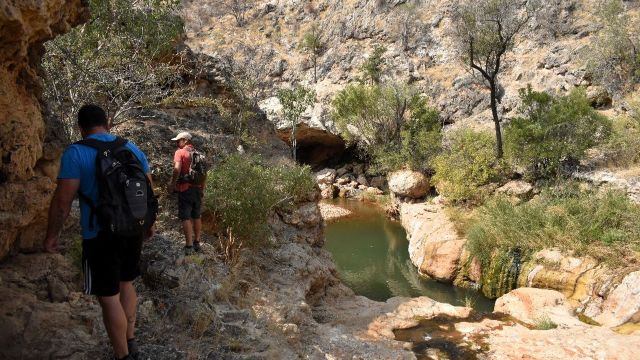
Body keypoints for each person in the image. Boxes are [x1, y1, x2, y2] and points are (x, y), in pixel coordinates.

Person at [43, 104, 152, 360]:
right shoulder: (132, 148)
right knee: (126, 282)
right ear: (108, 124)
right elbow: (147, 191)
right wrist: (148, 224)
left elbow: (62, 201)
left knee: (108, 296)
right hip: (133, 230)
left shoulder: (76, 153)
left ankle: (123, 356)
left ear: (81, 128)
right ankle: (131, 340)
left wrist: (52, 235)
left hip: (99, 233)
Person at [168, 131, 204, 255]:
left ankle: (188, 246)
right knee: (197, 216)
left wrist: (172, 184)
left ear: (185, 140)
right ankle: (197, 242)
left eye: (178, 141)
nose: (177, 144)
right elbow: (205, 174)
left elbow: (177, 169)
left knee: (185, 216)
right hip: (198, 189)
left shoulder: (180, 152)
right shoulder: (199, 154)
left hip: (185, 188)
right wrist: (202, 188)